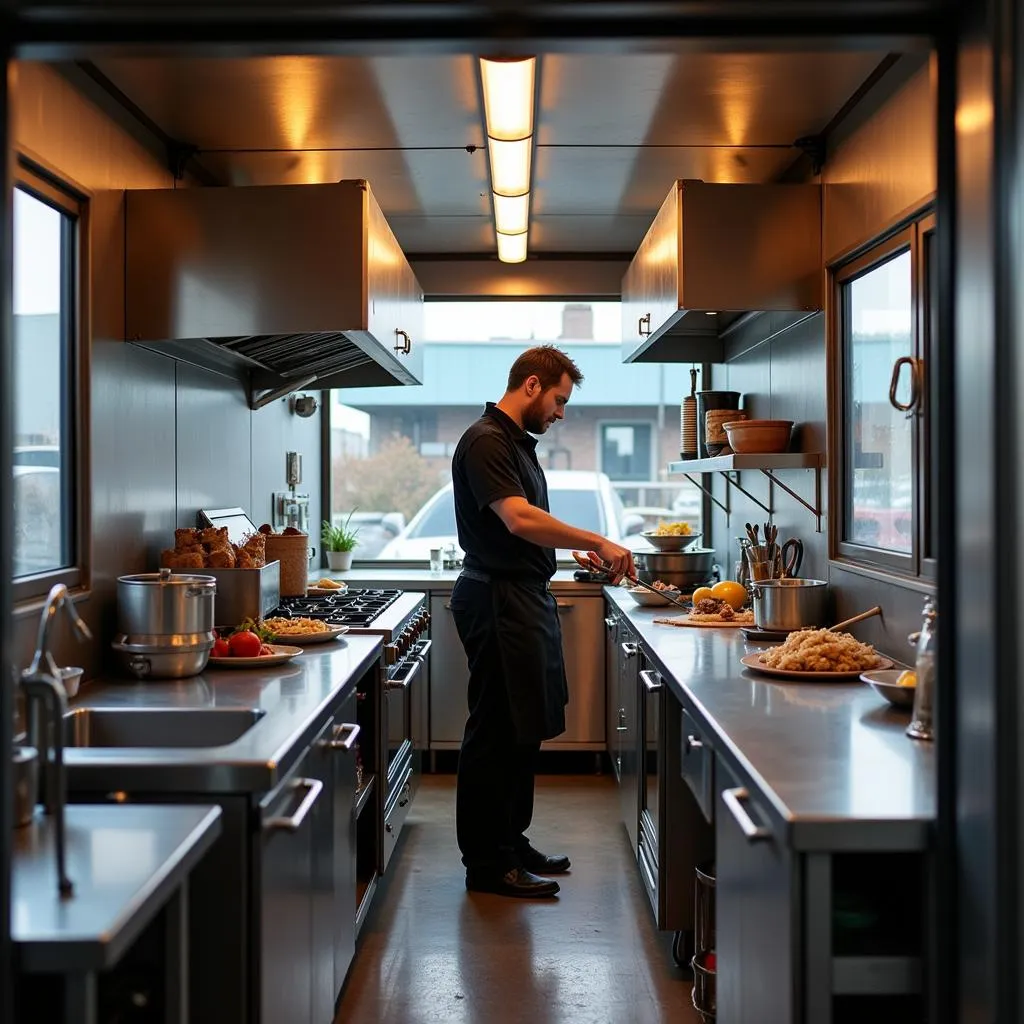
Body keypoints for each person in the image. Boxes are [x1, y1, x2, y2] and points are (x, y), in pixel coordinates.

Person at [449, 345, 636, 898]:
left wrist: (561, 555)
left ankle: (512, 840)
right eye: (558, 400)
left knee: (523, 726)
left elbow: (529, 529)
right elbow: (517, 517)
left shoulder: (516, 444)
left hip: (521, 594)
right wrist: (597, 539)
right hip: (496, 599)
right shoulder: (486, 440)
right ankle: (488, 863)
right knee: (498, 731)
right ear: (531, 386)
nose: (561, 413)